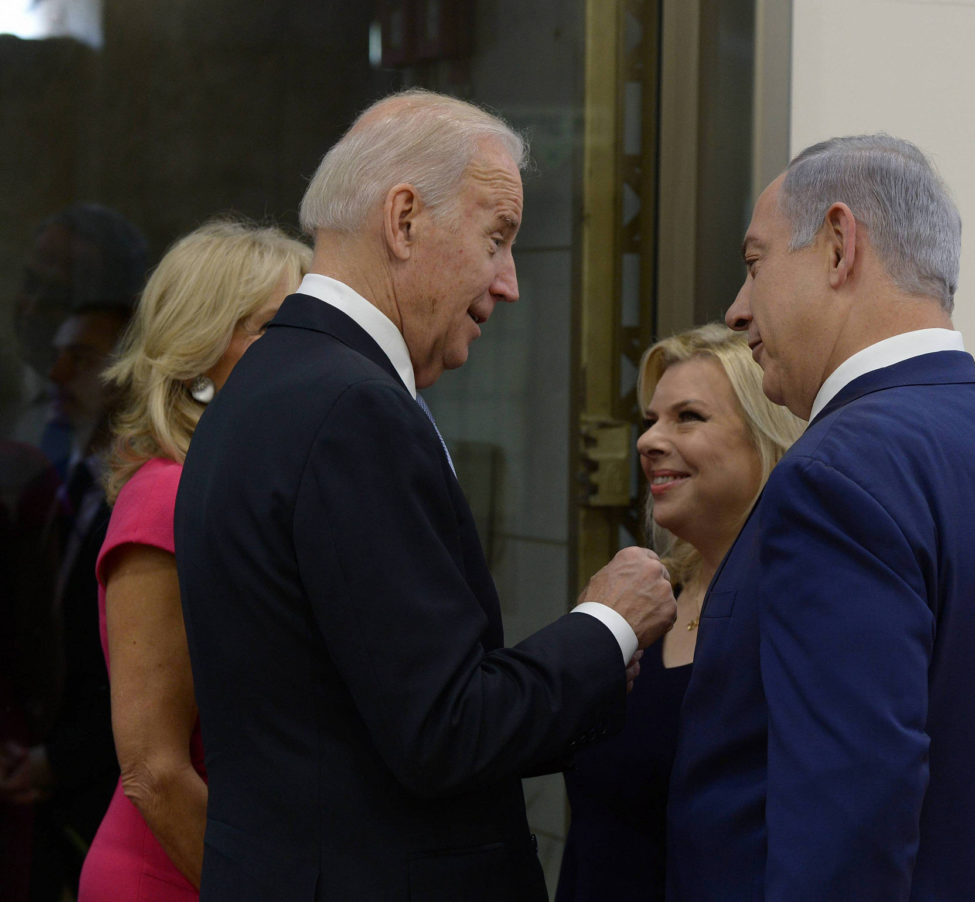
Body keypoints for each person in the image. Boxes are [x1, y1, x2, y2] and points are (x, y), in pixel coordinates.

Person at [172, 88, 677, 901]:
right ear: (404, 221)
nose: (509, 283)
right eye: (498, 237)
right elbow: (445, 730)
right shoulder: (351, 409)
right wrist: (608, 625)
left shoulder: (270, 384)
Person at [667, 135, 975, 901]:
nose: (738, 308)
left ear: (836, 245)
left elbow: (848, 820)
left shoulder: (834, 477)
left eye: (755, 264)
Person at [74, 220, 311, 901]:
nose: (302, 351)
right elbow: (154, 769)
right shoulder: (167, 497)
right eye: (275, 327)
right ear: (200, 350)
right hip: (174, 875)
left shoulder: (234, 487)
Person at [556, 323, 801, 901]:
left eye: (687, 417)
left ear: (765, 437)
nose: (648, 442)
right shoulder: (643, 603)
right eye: (651, 421)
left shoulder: (795, 612)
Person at [0, 204, 146, 902]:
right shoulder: (38, 450)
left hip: (94, 793)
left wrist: (62, 758)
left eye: (82, 356)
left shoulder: (147, 491)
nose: (58, 370)